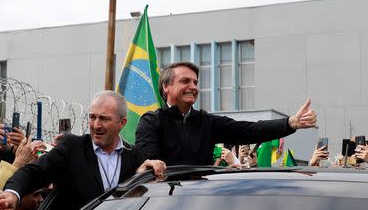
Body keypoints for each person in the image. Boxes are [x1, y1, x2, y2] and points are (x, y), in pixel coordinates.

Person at [0, 91, 165, 210]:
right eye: (92, 117)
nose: (96, 125)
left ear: (122, 123)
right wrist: (12, 194)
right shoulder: (71, 149)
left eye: (104, 119)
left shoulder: (134, 157)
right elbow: (32, 172)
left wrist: (143, 176)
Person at [135, 61, 317, 165]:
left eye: (195, 82)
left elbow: (249, 130)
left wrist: (289, 123)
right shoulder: (151, 122)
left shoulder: (206, 121)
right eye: (185, 81)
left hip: (199, 204)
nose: (193, 87)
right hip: (164, 205)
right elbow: (149, 167)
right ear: (166, 86)